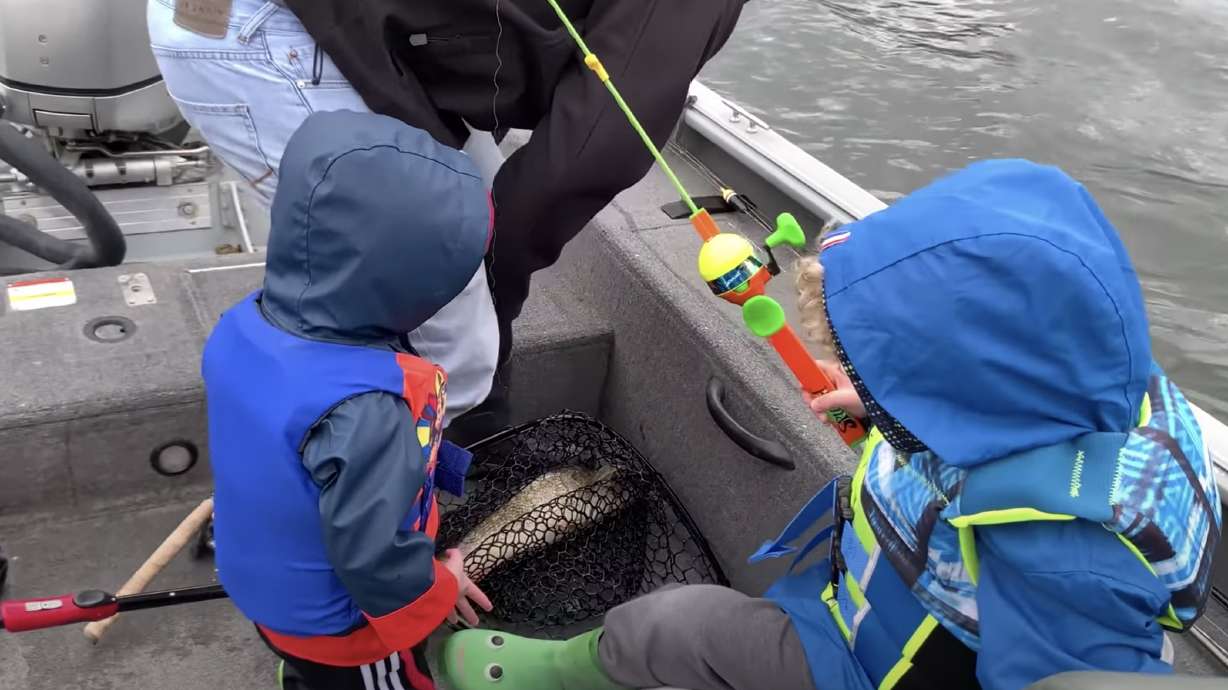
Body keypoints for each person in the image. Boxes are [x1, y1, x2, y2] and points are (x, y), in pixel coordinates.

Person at [437, 159, 1222, 690]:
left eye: (889, 373)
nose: (862, 379)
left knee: (672, 626)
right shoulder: (1090, 386)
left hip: (867, 663)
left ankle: (562, 673)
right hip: (862, 590)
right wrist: (883, 406)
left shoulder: (1071, 555)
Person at [148, 0, 747, 367]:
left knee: (457, 306)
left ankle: (449, 479)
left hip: (346, 31)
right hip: (260, 31)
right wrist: (483, 275)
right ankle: (368, 541)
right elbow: (594, 148)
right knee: (449, 334)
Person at [201, 110, 495, 690]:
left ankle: (301, 673)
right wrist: (442, 585)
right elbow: (377, 562)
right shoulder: (365, 411)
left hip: (264, 583)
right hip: (340, 629)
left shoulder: (243, 326)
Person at [149, 0, 501, 443]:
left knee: (459, 206)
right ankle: (420, 466)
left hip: (310, 25)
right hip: (261, 35)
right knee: (440, 286)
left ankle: (431, 448)